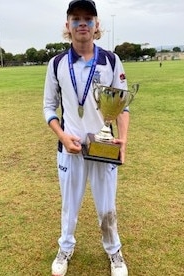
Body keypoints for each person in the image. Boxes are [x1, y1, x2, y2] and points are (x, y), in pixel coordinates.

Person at [43, 1, 129, 275]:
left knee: (107, 206)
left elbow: (123, 105)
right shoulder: (56, 63)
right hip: (70, 149)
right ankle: (65, 248)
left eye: (88, 18)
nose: (83, 23)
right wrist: (62, 135)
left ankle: (114, 252)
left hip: (103, 149)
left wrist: (123, 141)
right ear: (67, 26)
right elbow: (48, 107)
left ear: (97, 25)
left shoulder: (111, 60)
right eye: (76, 18)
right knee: (70, 206)